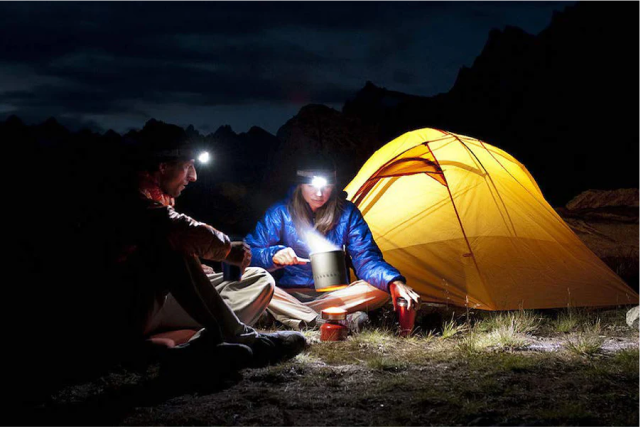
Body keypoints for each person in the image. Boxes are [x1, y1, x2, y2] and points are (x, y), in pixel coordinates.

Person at [109, 120, 305, 375]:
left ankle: (200, 343)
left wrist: (198, 270)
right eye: (188, 167)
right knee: (172, 249)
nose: (194, 177)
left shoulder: (157, 196)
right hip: (124, 310)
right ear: (163, 166)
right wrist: (228, 250)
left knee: (259, 278)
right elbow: (176, 229)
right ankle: (236, 336)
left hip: (157, 306)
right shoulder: (127, 196)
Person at [245, 156, 420, 331]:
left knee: (382, 290)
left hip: (334, 293)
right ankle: (334, 318)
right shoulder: (280, 213)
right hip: (288, 294)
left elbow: (366, 259)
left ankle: (288, 317)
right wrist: (273, 255)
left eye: (326, 186)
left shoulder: (347, 213)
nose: (319, 194)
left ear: (334, 185)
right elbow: (247, 255)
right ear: (299, 185)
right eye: (311, 186)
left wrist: (393, 282)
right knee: (255, 283)